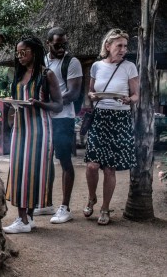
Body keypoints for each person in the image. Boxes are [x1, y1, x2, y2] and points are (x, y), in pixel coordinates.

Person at [3, 36, 63, 234]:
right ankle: (25, 218)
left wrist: (39, 103)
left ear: (35, 52)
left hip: (39, 130)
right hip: (20, 129)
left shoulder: (47, 75)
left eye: (24, 52)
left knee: (33, 172)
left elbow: (58, 105)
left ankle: (24, 219)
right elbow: (16, 100)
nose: (20, 57)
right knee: (19, 170)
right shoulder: (19, 75)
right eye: (17, 53)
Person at [84, 28, 138, 225]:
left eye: (125, 46)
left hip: (119, 118)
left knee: (109, 169)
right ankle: (91, 197)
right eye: (119, 45)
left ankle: (105, 208)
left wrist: (127, 99)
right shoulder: (97, 66)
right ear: (108, 46)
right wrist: (92, 96)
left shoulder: (129, 67)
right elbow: (91, 92)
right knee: (91, 165)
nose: (123, 49)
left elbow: (135, 96)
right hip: (100, 118)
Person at [33, 27, 83, 223]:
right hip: (45, 117)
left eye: (64, 45)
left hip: (63, 118)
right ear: (48, 44)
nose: (61, 48)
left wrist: (51, 103)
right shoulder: (42, 61)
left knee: (64, 160)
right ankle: (46, 204)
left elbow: (74, 93)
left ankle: (65, 207)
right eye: (57, 45)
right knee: (45, 159)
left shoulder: (73, 63)